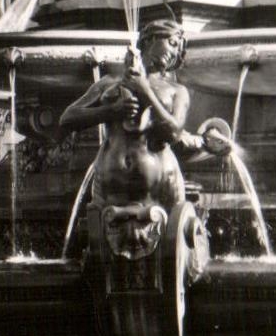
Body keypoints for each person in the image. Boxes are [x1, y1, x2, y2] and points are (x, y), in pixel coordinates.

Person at [59, 17, 192, 210]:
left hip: (160, 186)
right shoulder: (109, 82)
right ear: (149, 39)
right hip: (110, 187)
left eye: (177, 51)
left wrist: (144, 90)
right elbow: (67, 119)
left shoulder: (176, 91)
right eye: (171, 43)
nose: (173, 53)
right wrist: (110, 111)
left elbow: (174, 133)